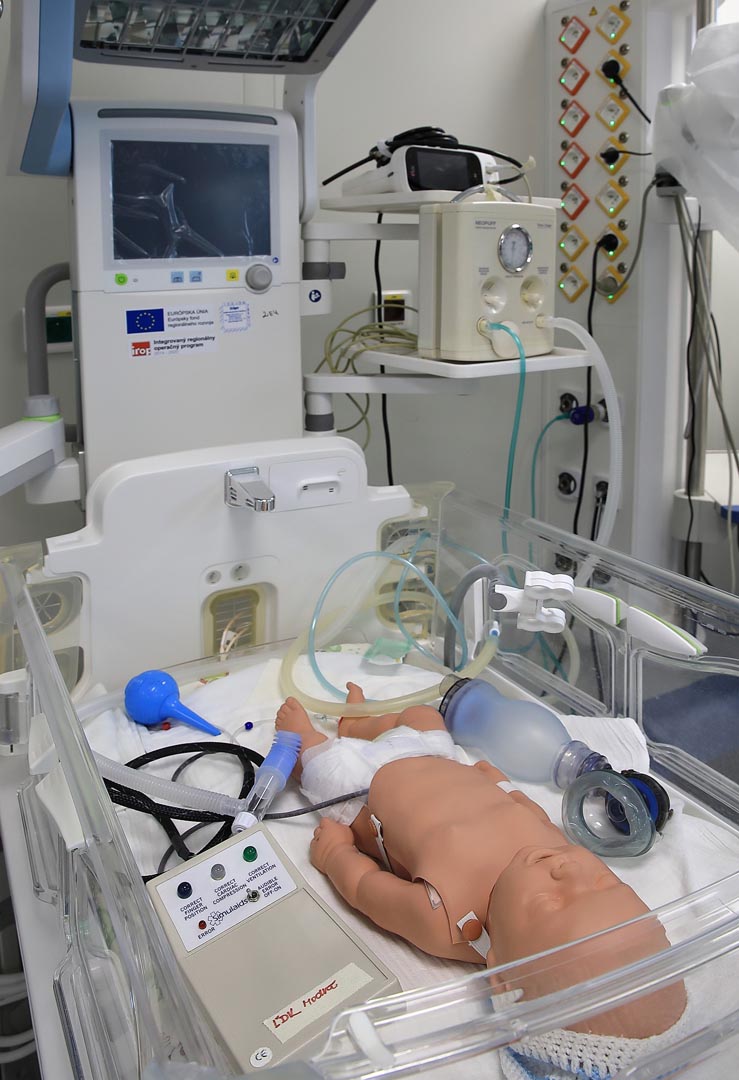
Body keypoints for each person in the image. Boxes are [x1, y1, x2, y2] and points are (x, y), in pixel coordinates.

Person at [276, 683, 687, 1047]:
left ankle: (309, 743)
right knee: (423, 716)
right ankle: (359, 726)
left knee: (319, 768)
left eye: (550, 903)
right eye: (604, 881)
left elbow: (367, 890)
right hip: (437, 757)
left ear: (501, 975)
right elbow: (529, 812)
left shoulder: (448, 921)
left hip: (362, 791)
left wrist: (336, 856)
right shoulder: (554, 854)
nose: (569, 870)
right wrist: (499, 783)